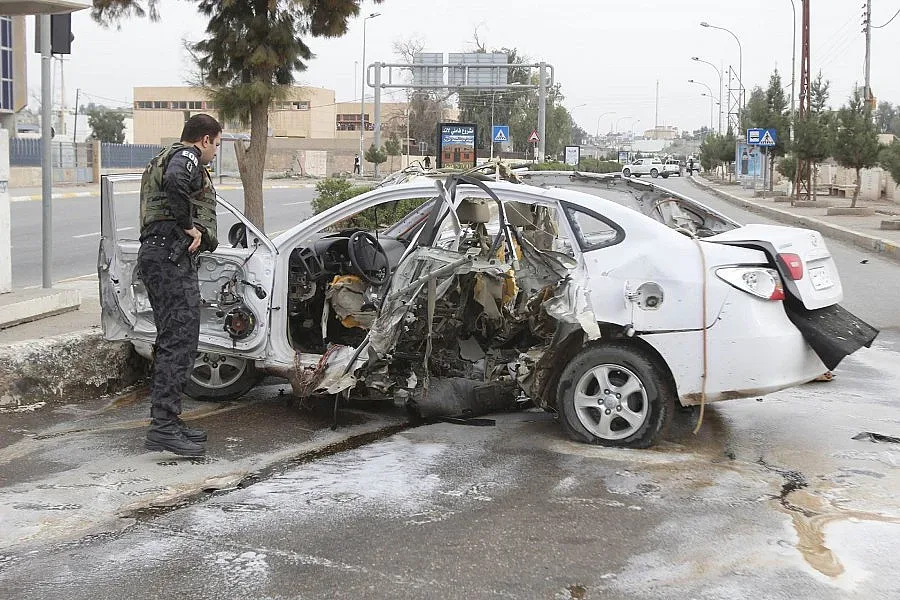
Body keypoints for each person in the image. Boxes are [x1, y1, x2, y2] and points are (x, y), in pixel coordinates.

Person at [139, 114, 222, 456]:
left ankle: (168, 421)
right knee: (180, 343)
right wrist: (189, 225)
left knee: (172, 341)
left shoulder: (166, 155)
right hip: (170, 256)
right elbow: (176, 181)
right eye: (216, 144)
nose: (215, 152)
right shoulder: (185, 157)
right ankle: (163, 428)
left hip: (160, 255)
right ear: (203, 140)